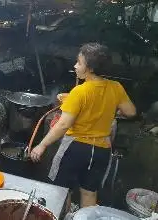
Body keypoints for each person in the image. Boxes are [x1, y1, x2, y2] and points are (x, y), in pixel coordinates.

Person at [30, 43, 136, 211]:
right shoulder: (116, 88)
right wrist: (108, 108)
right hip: (102, 150)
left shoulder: (80, 92)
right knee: (89, 193)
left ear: (90, 68)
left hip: (76, 148)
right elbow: (130, 112)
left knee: (61, 191)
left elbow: (63, 124)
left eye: (79, 62)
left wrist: (41, 145)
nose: (75, 66)